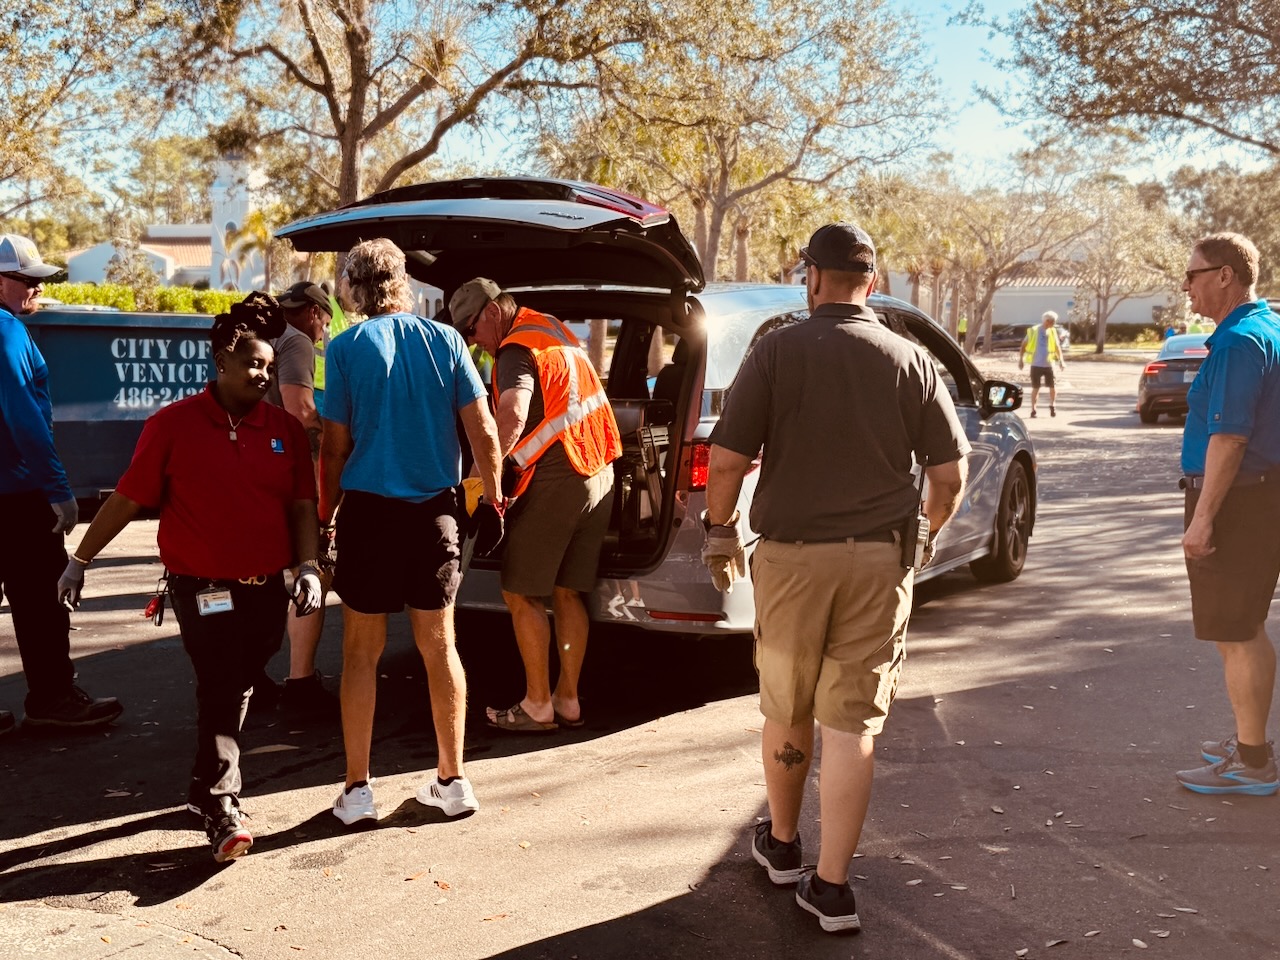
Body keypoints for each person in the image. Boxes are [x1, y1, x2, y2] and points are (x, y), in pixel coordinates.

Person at [703, 222, 969, 933]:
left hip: (792, 561)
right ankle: (831, 888)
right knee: (852, 726)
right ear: (871, 283)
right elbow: (949, 475)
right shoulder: (911, 360)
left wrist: (719, 529)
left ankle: (783, 844)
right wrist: (924, 535)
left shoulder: (776, 351)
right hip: (879, 562)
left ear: (811, 279)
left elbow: (726, 461)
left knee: (787, 707)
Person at [57, 292, 322, 861]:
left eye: (270, 366)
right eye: (252, 364)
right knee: (223, 682)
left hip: (264, 587)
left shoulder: (284, 428)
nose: (263, 375)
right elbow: (128, 498)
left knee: (243, 678)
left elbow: (303, 503)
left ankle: (204, 790)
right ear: (221, 362)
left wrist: (308, 566)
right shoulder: (172, 425)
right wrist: (81, 560)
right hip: (202, 587)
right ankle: (223, 804)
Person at [320, 240, 503, 826]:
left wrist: (324, 516)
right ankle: (453, 781)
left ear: (353, 288)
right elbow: (484, 432)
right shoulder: (447, 340)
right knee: (440, 645)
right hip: (434, 514)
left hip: (368, 514)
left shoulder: (344, 347)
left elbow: (334, 446)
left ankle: (357, 792)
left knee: (360, 652)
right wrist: (494, 499)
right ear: (402, 282)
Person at [450, 278, 621, 734]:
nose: (474, 342)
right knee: (568, 592)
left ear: (491, 312)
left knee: (521, 592)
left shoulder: (514, 349)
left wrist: (483, 479)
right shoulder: (551, 329)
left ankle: (537, 705)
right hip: (598, 470)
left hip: (559, 478)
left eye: (471, 329)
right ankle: (567, 700)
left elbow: (512, 413)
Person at [0, 233, 122, 736]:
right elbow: (23, 418)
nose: (36, 289)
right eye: (26, 280)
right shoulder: (6, 331)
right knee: (39, 601)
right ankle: (53, 698)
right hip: (17, 495)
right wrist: (57, 489)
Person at [1173, 232, 1280, 797]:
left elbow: (1231, 437)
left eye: (1192, 274)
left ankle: (1254, 762)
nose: (1185, 285)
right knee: (1247, 626)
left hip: (1238, 499)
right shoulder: (1267, 328)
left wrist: (1203, 519)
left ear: (1225, 276)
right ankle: (1250, 740)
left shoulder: (1239, 342)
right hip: (1260, 496)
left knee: (1237, 633)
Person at [259, 280, 337, 716]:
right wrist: (334, 449)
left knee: (255, 578)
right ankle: (301, 681)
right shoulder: (297, 341)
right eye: (324, 322)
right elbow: (300, 410)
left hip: (250, 471)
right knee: (311, 571)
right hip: (288, 475)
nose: (322, 332)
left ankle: (249, 678)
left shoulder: (259, 335)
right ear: (312, 312)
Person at [1018, 311, 1066, 417]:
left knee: (1053, 386)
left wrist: (1061, 361)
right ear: (1047, 321)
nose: (1054, 323)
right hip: (1036, 364)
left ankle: (1052, 405)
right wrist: (1021, 360)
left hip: (1049, 364)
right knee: (1036, 388)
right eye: (1053, 321)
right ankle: (1033, 409)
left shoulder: (1053, 331)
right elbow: (1023, 345)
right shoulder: (1034, 330)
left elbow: (1057, 347)